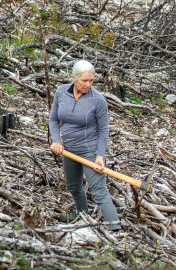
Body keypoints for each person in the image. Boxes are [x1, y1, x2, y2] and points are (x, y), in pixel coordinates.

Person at [48, 60, 121, 233]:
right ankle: (82, 215)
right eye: (84, 81)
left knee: (98, 190)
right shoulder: (61, 92)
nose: (88, 84)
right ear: (74, 78)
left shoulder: (98, 100)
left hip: (89, 150)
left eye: (91, 81)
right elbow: (53, 119)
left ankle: (115, 228)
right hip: (68, 149)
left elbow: (103, 129)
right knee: (73, 185)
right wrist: (57, 140)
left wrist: (100, 155)